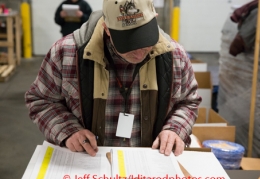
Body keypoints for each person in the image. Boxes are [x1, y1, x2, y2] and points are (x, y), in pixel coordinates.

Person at [25, 0, 202, 157]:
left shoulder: (174, 56)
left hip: (149, 166)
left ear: (154, 17)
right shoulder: (66, 53)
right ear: (107, 28)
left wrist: (175, 129)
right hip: (87, 164)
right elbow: (41, 100)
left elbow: (188, 102)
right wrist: (67, 130)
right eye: (130, 44)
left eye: (145, 39)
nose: (139, 52)